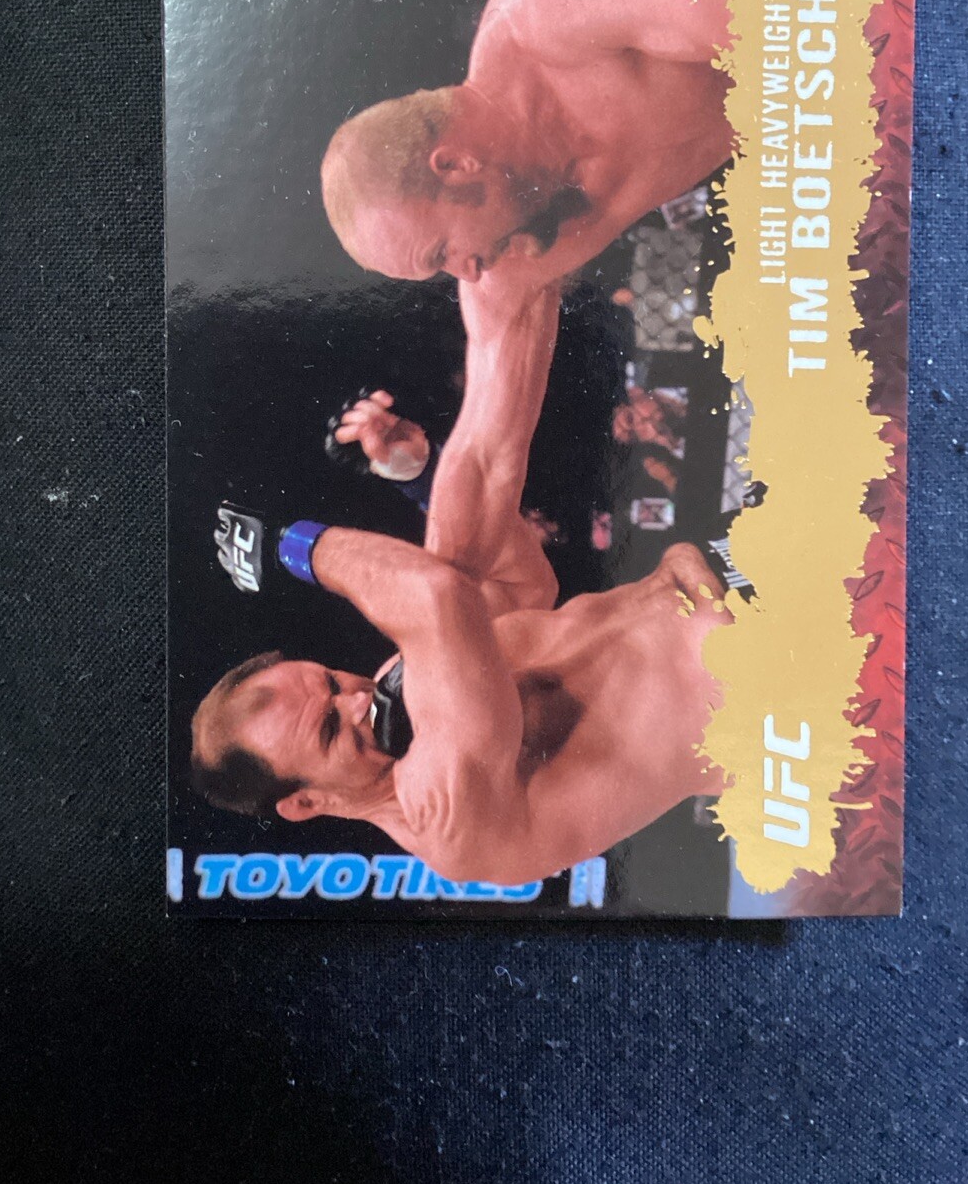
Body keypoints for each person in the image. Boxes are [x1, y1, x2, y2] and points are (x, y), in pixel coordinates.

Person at [191, 279, 732, 884]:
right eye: (328, 728)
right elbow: (437, 594)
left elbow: (519, 590)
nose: (357, 700)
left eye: (331, 683)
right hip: (776, 679)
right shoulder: (447, 818)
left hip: (727, 565)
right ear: (307, 801)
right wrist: (286, 547)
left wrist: (420, 475)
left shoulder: (395, 684)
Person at [320, 0, 857, 289]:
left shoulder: (548, 13)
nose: (468, 274)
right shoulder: (523, 243)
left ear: (456, 165)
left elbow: (794, 4)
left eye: (441, 255)